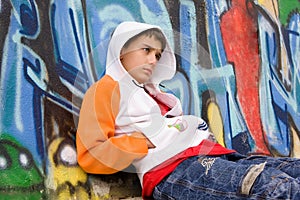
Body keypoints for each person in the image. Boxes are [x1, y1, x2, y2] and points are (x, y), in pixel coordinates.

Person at [76, 21, 300, 199]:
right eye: (146, 50)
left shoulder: (156, 94)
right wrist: (140, 141)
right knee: (276, 188)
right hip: (174, 170)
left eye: (157, 54)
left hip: (212, 157)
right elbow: (90, 155)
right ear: (121, 51)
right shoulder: (106, 89)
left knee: (295, 172)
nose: (153, 60)